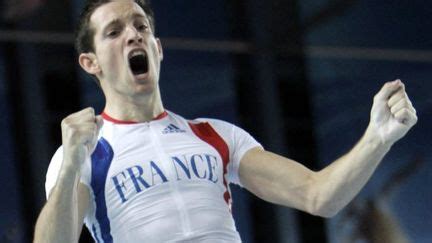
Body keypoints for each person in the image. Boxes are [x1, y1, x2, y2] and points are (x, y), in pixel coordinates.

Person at [33, 0, 418, 242]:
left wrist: (378, 138)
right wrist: (68, 165)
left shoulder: (215, 135)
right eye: (114, 32)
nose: (132, 35)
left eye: (141, 26)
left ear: (158, 48)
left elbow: (318, 196)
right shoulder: (83, 154)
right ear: (91, 62)